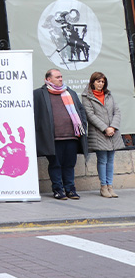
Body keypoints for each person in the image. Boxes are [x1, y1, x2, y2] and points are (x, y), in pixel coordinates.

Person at [34, 68, 88, 200]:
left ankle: (70, 189)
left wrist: (83, 126)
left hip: (71, 136)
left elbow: (81, 110)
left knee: (69, 164)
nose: (60, 79)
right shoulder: (39, 94)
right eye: (57, 77)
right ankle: (58, 190)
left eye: (61, 77)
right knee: (55, 164)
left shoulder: (70, 92)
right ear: (48, 79)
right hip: (53, 138)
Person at [82, 72, 123, 198]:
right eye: (98, 81)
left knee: (110, 160)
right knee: (102, 160)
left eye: (103, 82)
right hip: (99, 133)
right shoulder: (87, 97)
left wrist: (113, 127)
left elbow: (117, 111)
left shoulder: (109, 95)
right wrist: (105, 128)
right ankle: (103, 187)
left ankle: (110, 186)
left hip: (112, 133)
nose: (100, 84)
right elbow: (90, 116)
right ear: (92, 82)